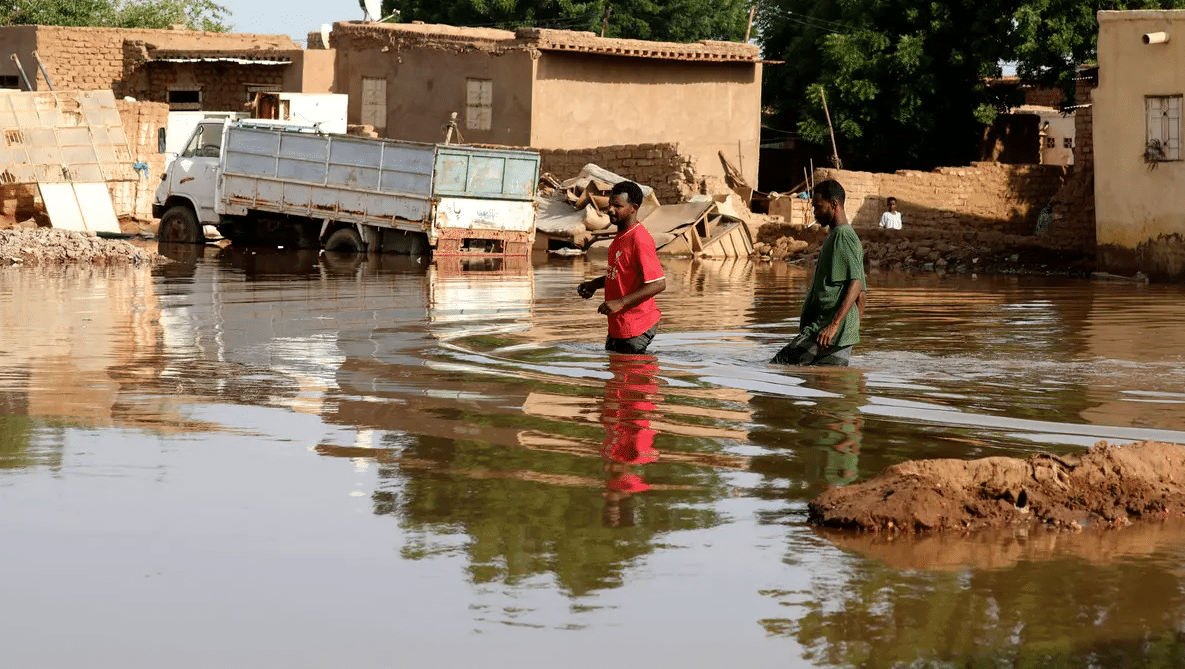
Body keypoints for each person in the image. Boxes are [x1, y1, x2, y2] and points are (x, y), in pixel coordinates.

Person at [771, 179, 866, 366]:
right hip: (830, 334)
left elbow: (857, 284)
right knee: (823, 387)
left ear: (834, 204)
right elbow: (861, 296)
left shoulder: (843, 236)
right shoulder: (838, 236)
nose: (815, 213)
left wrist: (835, 325)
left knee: (778, 367)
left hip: (825, 331)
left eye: (818, 207)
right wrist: (850, 331)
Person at [577, 181, 666, 354]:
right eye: (610, 205)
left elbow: (659, 283)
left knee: (631, 375)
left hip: (637, 324)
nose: (610, 210)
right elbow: (619, 275)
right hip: (618, 323)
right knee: (616, 372)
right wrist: (594, 284)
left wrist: (620, 303)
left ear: (633, 208)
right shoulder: (619, 238)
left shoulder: (640, 239)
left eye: (617, 206)